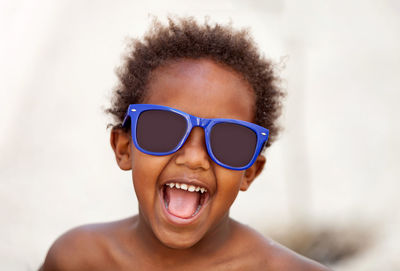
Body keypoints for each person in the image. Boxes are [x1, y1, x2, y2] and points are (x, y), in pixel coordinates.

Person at [40, 17, 330, 270]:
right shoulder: (76, 260)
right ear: (124, 148)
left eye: (229, 140)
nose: (194, 158)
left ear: (250, 171)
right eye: (163, 129)